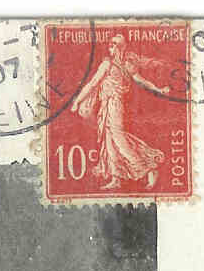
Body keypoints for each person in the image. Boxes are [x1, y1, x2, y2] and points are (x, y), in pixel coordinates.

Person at [70, 34, 171, 190]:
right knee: (109, 140)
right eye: (111, 44)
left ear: (121, 47)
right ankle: (116, 177)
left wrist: (158, 89)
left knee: (118, 138)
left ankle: (148, 169)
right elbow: (92, 84)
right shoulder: (107, 64)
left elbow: (141, 80)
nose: (112, 47)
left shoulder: (125, 64)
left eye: (115, 44)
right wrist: (78, 101)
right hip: (106, 105)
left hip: (115, 103)